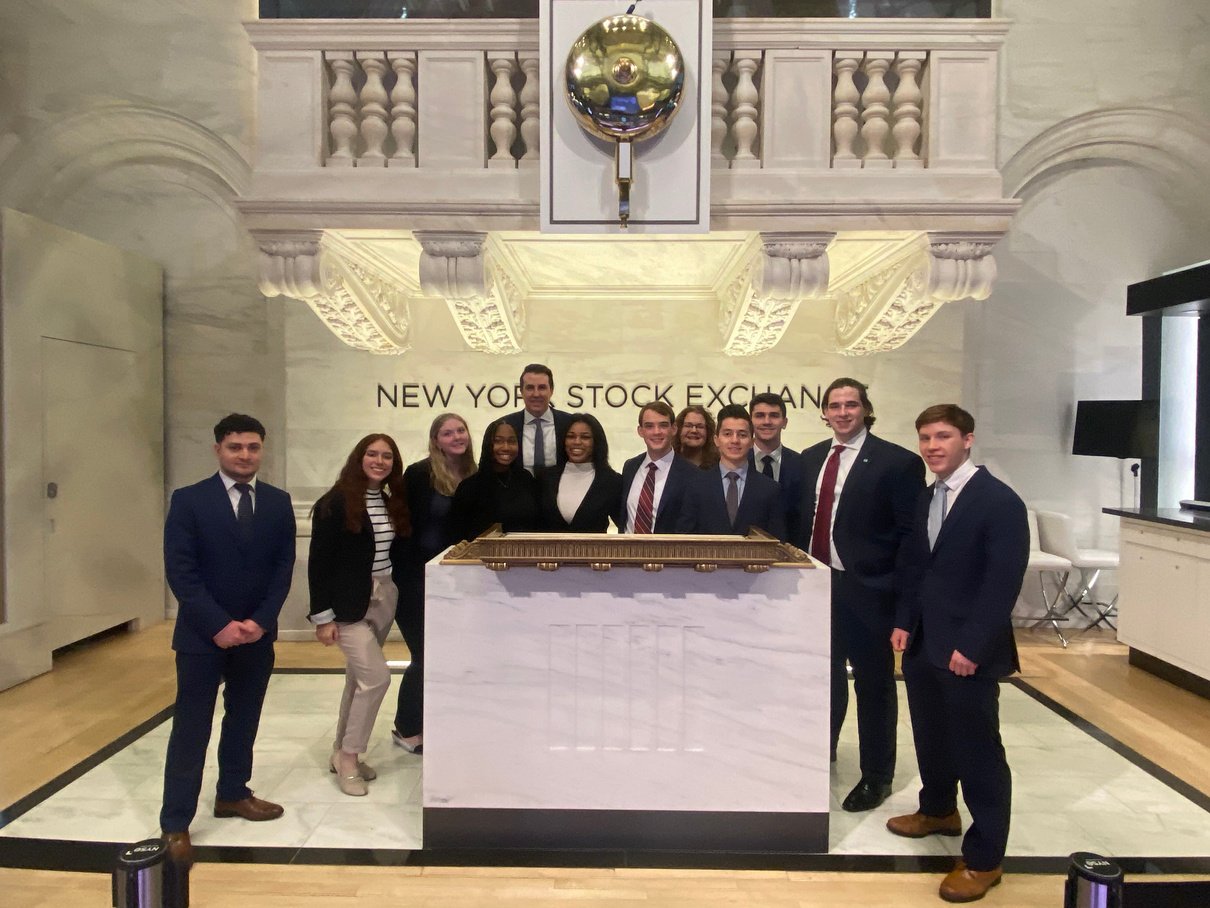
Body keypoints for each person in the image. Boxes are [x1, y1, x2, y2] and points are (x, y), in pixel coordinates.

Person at [888, 404, 1028, 904]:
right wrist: (903, 620)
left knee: (978, 750)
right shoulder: (929, 497)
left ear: (968, 439)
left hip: (967, 648)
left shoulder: (998, 501)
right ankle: (938, 809)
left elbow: (1002, 582)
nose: (932, 446)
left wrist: (973, 644)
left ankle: (986, 857)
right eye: (925, 437)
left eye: (942, 436)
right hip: (924, 640)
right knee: (930, 734)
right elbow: (915, 567)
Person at [160, 414, 297, 866]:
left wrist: (259, 622)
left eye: (253, 447)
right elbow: (181, 571)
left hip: (257, 635)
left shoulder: (277, 502)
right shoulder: (189, 500)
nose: (245, 455)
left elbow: (282, 570)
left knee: (244, 718)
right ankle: (176, 822)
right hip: (203, 635)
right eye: (236, 447)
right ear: (218, 449)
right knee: (192, 727)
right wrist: (219, 624)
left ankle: (233, 794)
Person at [798, 378, 924, 813]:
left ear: (866, 409)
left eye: (851, 404)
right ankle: (825, 748)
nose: (843, 412)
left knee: (874, 686)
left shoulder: (898, 463)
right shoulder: (812, 459)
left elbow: (911, 540)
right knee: (823, 676)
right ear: (825, 413)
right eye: (834, 405)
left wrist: (904, 609)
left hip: (870, 592)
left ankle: (876, 776)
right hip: (818, 586)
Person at [308, 434, 410, 796]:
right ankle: (350, 757)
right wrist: (323, 617)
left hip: (384, 595)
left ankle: (339, 751)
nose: (379, 461)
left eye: (387, 456)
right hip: (348, 602)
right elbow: (318, 562)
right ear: (359, 457)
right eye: (372, 454)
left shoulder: (386, 500)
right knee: (377, 678)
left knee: (358, 680)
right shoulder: (334, 502)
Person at [391, 412, 477, 756]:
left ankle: (438, 719)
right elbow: (405, 527)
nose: (456, 437)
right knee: (424, 655)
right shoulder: (419, 474)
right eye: (447, 433)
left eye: (460, 430)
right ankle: (406, 726)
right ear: (436, 439)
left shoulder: (474, 474)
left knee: (450, 656)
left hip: (459, 580)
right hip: (418, 579)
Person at [694, 405, 786, 538]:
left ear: (751, 442)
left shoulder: (770, 489)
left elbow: (777, 543)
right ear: (716, 440)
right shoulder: (696, 485)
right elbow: (685, 536)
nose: (735, 440)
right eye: (727, 434)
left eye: (742, 435)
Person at [618, 401, 701, 534]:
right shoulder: (630, 467)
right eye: (649, 426)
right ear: (640, 431)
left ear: (673, 429)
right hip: (627, 553)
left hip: (669, 553)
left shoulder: (692, 475)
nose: (656, 432)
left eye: (663, 425)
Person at [451, 418, 540, 539]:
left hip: (524, 554)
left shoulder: (526, 479)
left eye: (512, 441)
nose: (506, 447)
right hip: (482, 556)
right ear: (488, 445)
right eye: (498, 441)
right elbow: (458, 536)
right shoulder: (470, 487)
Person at [539, 413, 623, 532]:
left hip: (594, 550)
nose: (577, 442)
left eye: (585, 437)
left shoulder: (612, 481)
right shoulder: (546, 478)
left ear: (596, 442)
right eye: (571, 436)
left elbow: (625, 526)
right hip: (550, 551)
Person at [748, 391, 805, 540]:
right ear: (750, 422)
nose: (767, 421)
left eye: (774, 415)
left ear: (784, 422)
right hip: (744, 551)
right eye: (759, 415)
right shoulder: (736, 463)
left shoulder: (802, 463)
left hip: (791, 551)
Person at [503, 363, 574, 476]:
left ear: (551, 390)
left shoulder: (570, 424)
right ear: (521, 391)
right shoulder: (505, 425)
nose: (536, 394)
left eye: (542, 387)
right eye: (530, 388)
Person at [673, 405, 719, 470]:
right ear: (678, 429)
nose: (694, 430)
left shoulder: (718, 466)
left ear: (708, 432)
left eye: (700, 426)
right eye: (688, 426)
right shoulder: (669, 464)